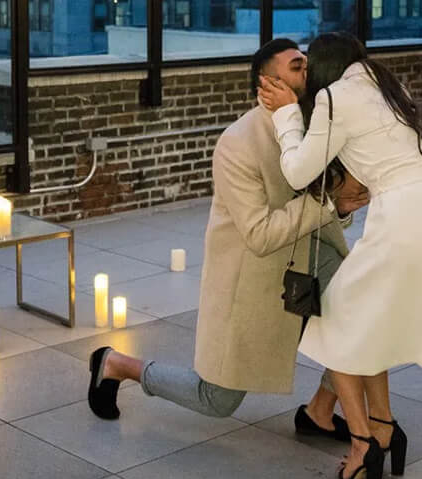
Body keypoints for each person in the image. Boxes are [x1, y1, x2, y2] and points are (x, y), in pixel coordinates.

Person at [87, 38, 370, 436]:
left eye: (306, 64)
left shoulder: (316, 126)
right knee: (216, 400)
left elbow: (328, 210)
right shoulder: (238, 144)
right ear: (267, 83)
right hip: (254, 276)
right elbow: (259, 235)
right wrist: (329, 202)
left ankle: (319, 411)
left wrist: (342, 207)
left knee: (364, 310)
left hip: (310, 255)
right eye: (295, 66)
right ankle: (117, 364)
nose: (307, 71)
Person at [259, 31, 422, 479]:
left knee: (334, 325)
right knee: (367, 326)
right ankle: (383, 427)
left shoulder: (333, 97)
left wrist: (287, 115)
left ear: (324, 68)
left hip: (404, 218)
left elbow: (298, 171)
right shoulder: (389, 88)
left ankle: (364, 443)